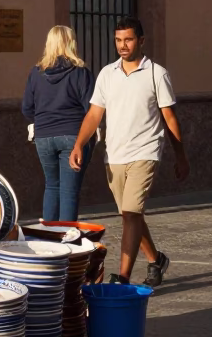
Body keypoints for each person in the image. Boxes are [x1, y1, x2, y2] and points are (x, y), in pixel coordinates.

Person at [70, 17, 188, 287]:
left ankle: (122, 277)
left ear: (141, 41)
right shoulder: (107, 74)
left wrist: (181, 156)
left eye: (129, 40)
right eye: (118, 40)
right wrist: (79, 144)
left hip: (145, 152)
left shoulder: (157, 73)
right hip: (114, 155)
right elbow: (94, 114)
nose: (123, 45)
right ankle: (156, 259)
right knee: (129, 214)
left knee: (131, 213)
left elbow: (169, 118)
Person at [22, 25, 96, 222]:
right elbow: (92, 109)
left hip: (43, 137)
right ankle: (66, 241)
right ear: (71, 43)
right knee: (69, 191)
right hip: (73, 135)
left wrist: (43, 121)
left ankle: (49, 238)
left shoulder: (36, 73)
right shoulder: (81, 73)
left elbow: (27, 108)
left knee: (52, 186)